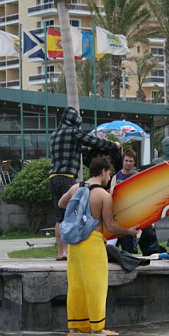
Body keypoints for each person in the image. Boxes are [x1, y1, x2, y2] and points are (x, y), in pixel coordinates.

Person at [58, 155, 138, 335]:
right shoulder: (103, 195)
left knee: (76, 286)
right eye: (109, 175)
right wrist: (130, 231)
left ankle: (75, 327)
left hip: (74, 246)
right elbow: (110, 226)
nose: (109, 179)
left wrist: (78, 214)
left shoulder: (74, 188)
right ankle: (96, 329)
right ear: (103, 171)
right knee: (96, 287)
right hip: (93, 245)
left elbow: (61, 203)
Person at [49, 106, 119, 261]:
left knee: (60, 216)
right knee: (72, 213)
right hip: (67, 176)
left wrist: (84, 149)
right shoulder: (73, 132)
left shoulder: (54, 134)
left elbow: (72, 148)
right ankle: (70, 248)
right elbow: (93, 141)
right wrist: (112, 145)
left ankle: (61, 252)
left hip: (53, 178)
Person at [109, 150, 139, 253]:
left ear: (134, 162)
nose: (128, 163)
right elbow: (111, 196)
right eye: (126, 160)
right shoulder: (116, 177)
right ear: (123, 161)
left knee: (130, 249)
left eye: (131, 161)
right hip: (117, 217)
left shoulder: (137, 176)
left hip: (131, 217)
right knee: (111, 249)